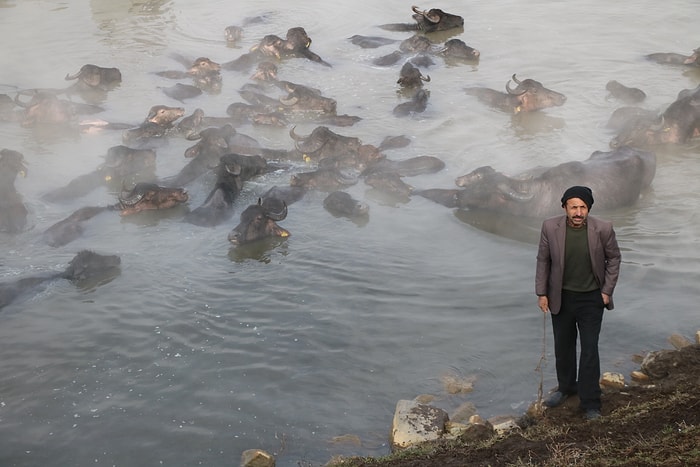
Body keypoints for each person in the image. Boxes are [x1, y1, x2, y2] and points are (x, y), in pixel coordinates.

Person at [535, 186, 621, 420]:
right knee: (563, 347)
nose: (578, 212)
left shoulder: (603, 228)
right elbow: (543, 260)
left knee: (590, 349)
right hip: (560, 296)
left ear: (589, 209)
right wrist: (541, 293)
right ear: (564, 207)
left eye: (583, 207)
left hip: (592, 298)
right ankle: (566, 388)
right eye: (574, 206)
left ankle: (591, 401)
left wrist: (606, 291)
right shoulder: (550, 227)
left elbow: (614, 258)